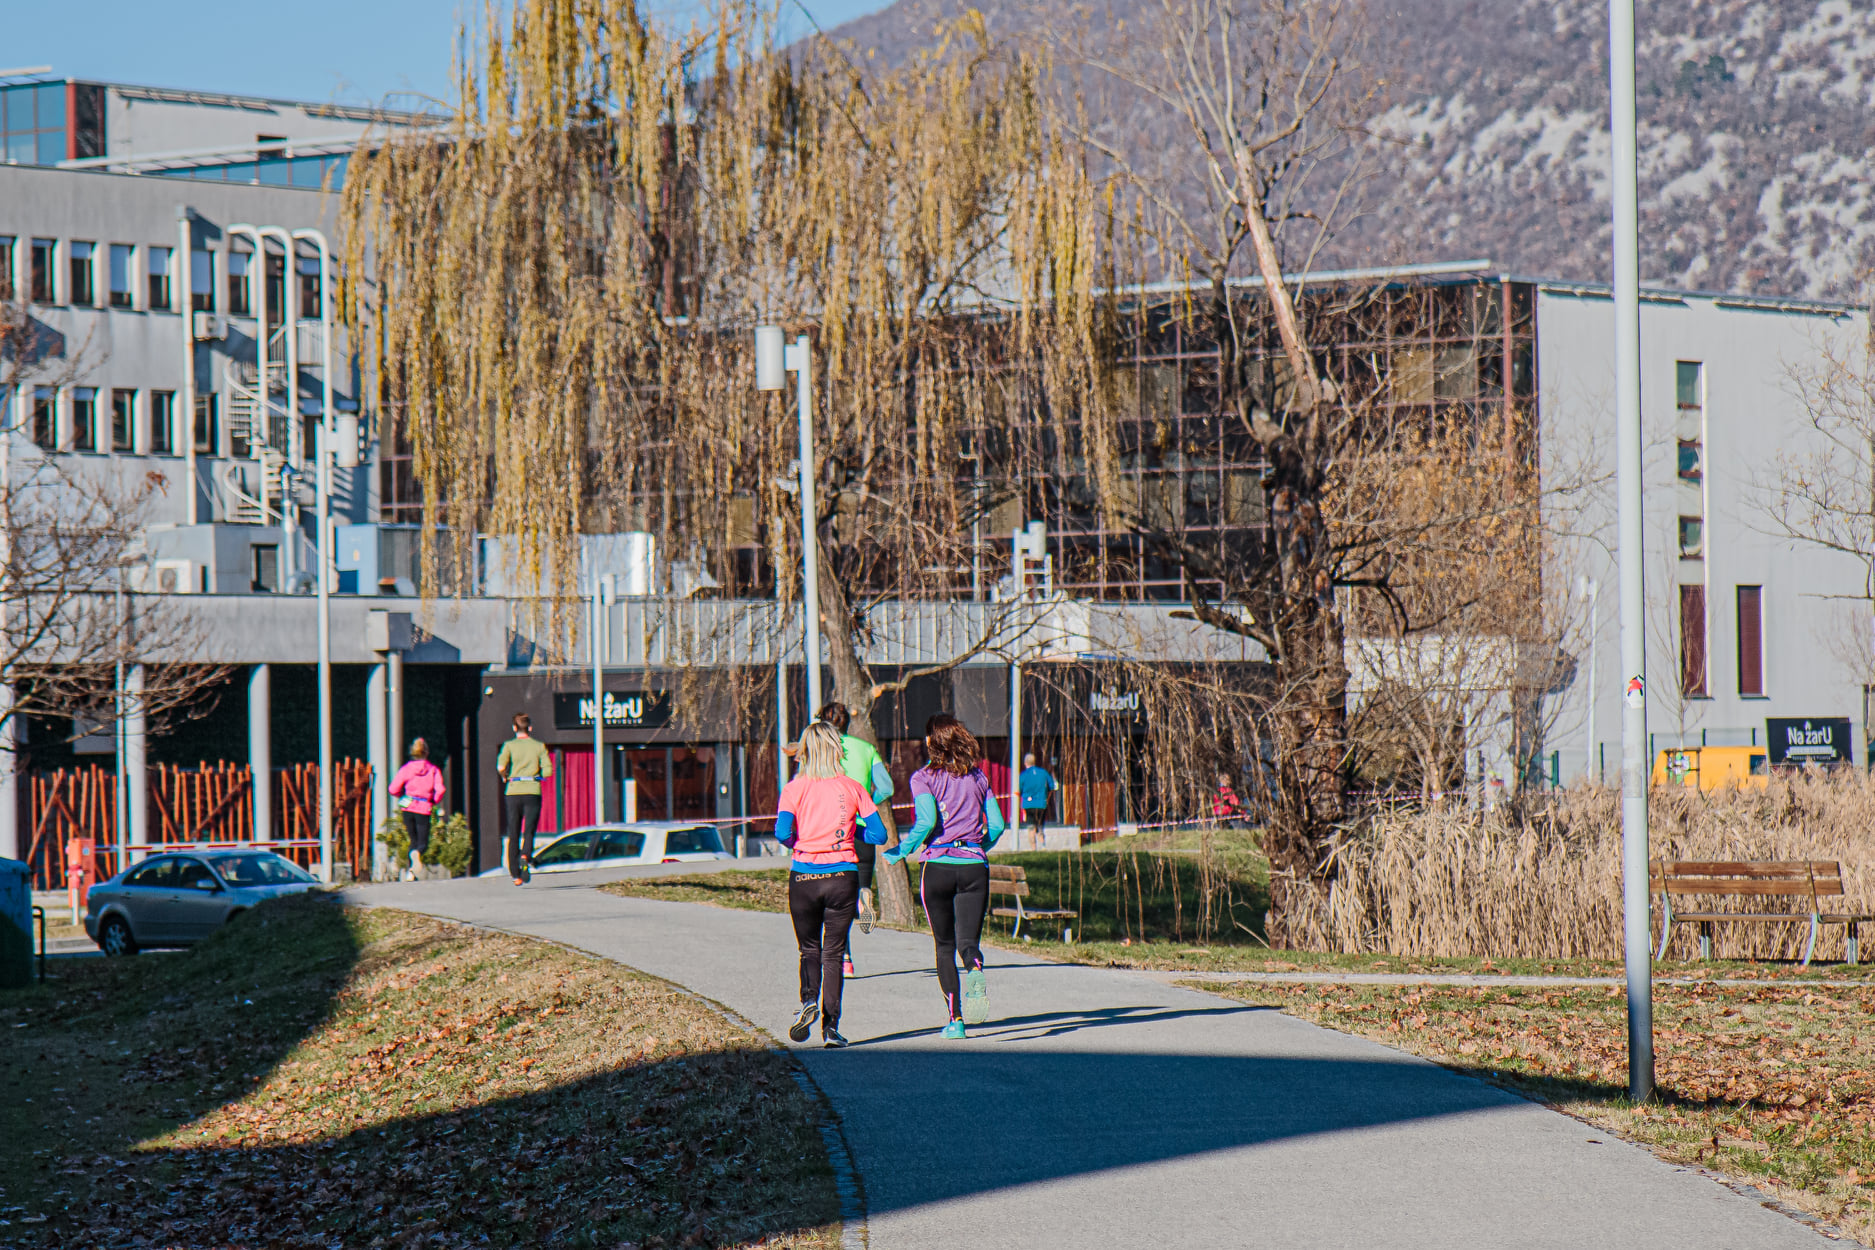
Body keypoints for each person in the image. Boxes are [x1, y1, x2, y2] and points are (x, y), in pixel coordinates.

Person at [884, 714, 1007, 1038]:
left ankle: (956, 1021)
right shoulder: (978, 777)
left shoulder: (923, 778)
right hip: (973, 867)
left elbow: (926, 822)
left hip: (937, 865)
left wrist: (901, 850)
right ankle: (974, 966)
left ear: (931, 742)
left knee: (943, 946)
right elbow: (997, 825)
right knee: (968, 943)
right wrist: (979, 848)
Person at [777, 722, 889, 1049]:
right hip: (842, 877)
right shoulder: (853, 787)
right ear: (837, 750)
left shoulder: (794, 788)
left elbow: (782, 833)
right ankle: (831, 1029)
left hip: (804, 876)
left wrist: (803, 842)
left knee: (808, 948)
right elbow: (879, 834)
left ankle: (808, 1000)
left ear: (805, 752)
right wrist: (852, 833)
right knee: (834, 954)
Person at [813, 701, 896, 972]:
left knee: (833, 901)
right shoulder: (866, 748)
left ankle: (845, 959)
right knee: (855, 887)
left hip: (831, 831)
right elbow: (887, 787)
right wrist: (867, 802)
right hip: (861, 830)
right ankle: (863, 897)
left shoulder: (820, 749)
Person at [496, 713, 553, 886]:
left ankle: (515, 874)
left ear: (514, 728)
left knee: (513, 832)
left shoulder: (509, 746)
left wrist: (505, 776)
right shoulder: (539, 746)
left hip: (513, 791)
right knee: (529, 830)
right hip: (532, 791)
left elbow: (501, 766)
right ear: (530, 728)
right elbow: (548, 770)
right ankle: (525, 855)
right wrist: (538, 776)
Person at [388, 738, 447, 880]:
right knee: (422, 843)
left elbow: (393, 788)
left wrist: (402, 795)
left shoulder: (406, 769)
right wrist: (434, 800)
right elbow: (440, 789)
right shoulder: (433, 770)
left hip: (408, 807)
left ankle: (411, 873)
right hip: (424, 807)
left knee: (413, 840)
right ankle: (416, 858)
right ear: (426, 752)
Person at [1018, 752, 1058, 847]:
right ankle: (1042, 844)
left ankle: (1033, 847)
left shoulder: (1023, 775)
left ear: (1025, 763)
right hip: (1041, 803)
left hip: (1028, 804)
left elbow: (1019, 789)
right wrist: (1046, 797)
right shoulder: (1043, 773)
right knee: (1040, 825)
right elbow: (1052, 786)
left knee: (1031, 826)